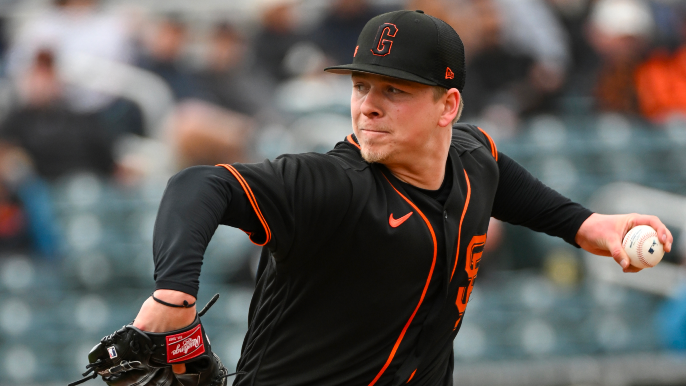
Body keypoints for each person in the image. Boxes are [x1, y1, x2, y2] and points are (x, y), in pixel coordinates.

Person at [132, 10, 673, 386]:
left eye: (395, 90)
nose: (368, 105)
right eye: (361, 85)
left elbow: (496, 174)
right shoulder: (332, 184)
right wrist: (175, 295)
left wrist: (586, 225)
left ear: (448, 106)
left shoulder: (469, 159)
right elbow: (198, 185)